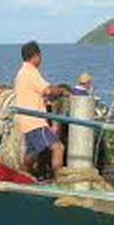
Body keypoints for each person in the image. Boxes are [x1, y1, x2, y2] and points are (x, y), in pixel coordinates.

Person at [15, 41, 68, 175]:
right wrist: (63, 91)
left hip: (25, 120)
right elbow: (49, 90)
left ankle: (23, 175)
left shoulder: (21, 73)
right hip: (35, 121)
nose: (41, 59)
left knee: (32, 153)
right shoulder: (31, 72)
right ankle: (59, 179)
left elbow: (34, 93)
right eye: (40, 56)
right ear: (36, 56)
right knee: (58, 148)